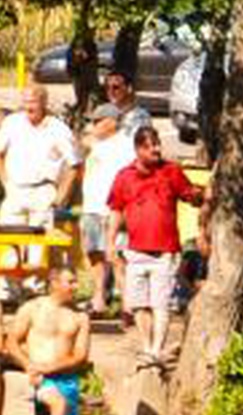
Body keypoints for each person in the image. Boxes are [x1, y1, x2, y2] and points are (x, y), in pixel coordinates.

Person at [104, 125, 201, 371]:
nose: (156, 149)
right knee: (137, 303)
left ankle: (157, 350)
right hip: (135, 250)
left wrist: (204, 194)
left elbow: (191, 195)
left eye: (157, 144)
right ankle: (147, 347)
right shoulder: (124, 176)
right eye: (150, 146)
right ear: (138, 149)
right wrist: (110, 242)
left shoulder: (171, 171)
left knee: (160, 303)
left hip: (165, 251)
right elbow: (116, 210)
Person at [6, 266, 90, 415]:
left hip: (66, 379)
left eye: (75, 282)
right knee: (58, 405)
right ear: (54, 283)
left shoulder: (80, 317)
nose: (75, 286)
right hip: (39, 378)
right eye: (70, 282)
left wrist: (49, 367)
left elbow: (80, 355)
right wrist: (29, 366)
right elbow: (11, 342)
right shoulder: (32, 308)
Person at [0, 85, 80, 291]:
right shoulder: (12, 123)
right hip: (15, 189)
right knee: (8, 243)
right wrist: (6, 183)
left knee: (38, 247)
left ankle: (33, 290)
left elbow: (74, 164)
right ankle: (9, 291)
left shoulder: (58, 129)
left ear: (44, 102)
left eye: (33, 101)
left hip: (44, 191)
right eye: (25, 101)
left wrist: (61, 196)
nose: (29, 106)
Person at [78, 103, 132, 317]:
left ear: (111, 122)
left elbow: (129, 180)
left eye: (97, 121)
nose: (93, 125)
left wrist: (123, 210)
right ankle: (98, 299)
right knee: (94, 253)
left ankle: (128, 305)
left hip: (113, 210)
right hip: (91, 207)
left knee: (117, 257)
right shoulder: (95, 145)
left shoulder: (126, 146)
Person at [102, 70, 152, 137]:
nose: (111, 91)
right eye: (107, 87)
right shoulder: (104, 113)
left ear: (129, 88)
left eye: (116, 87)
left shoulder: (140, 116)